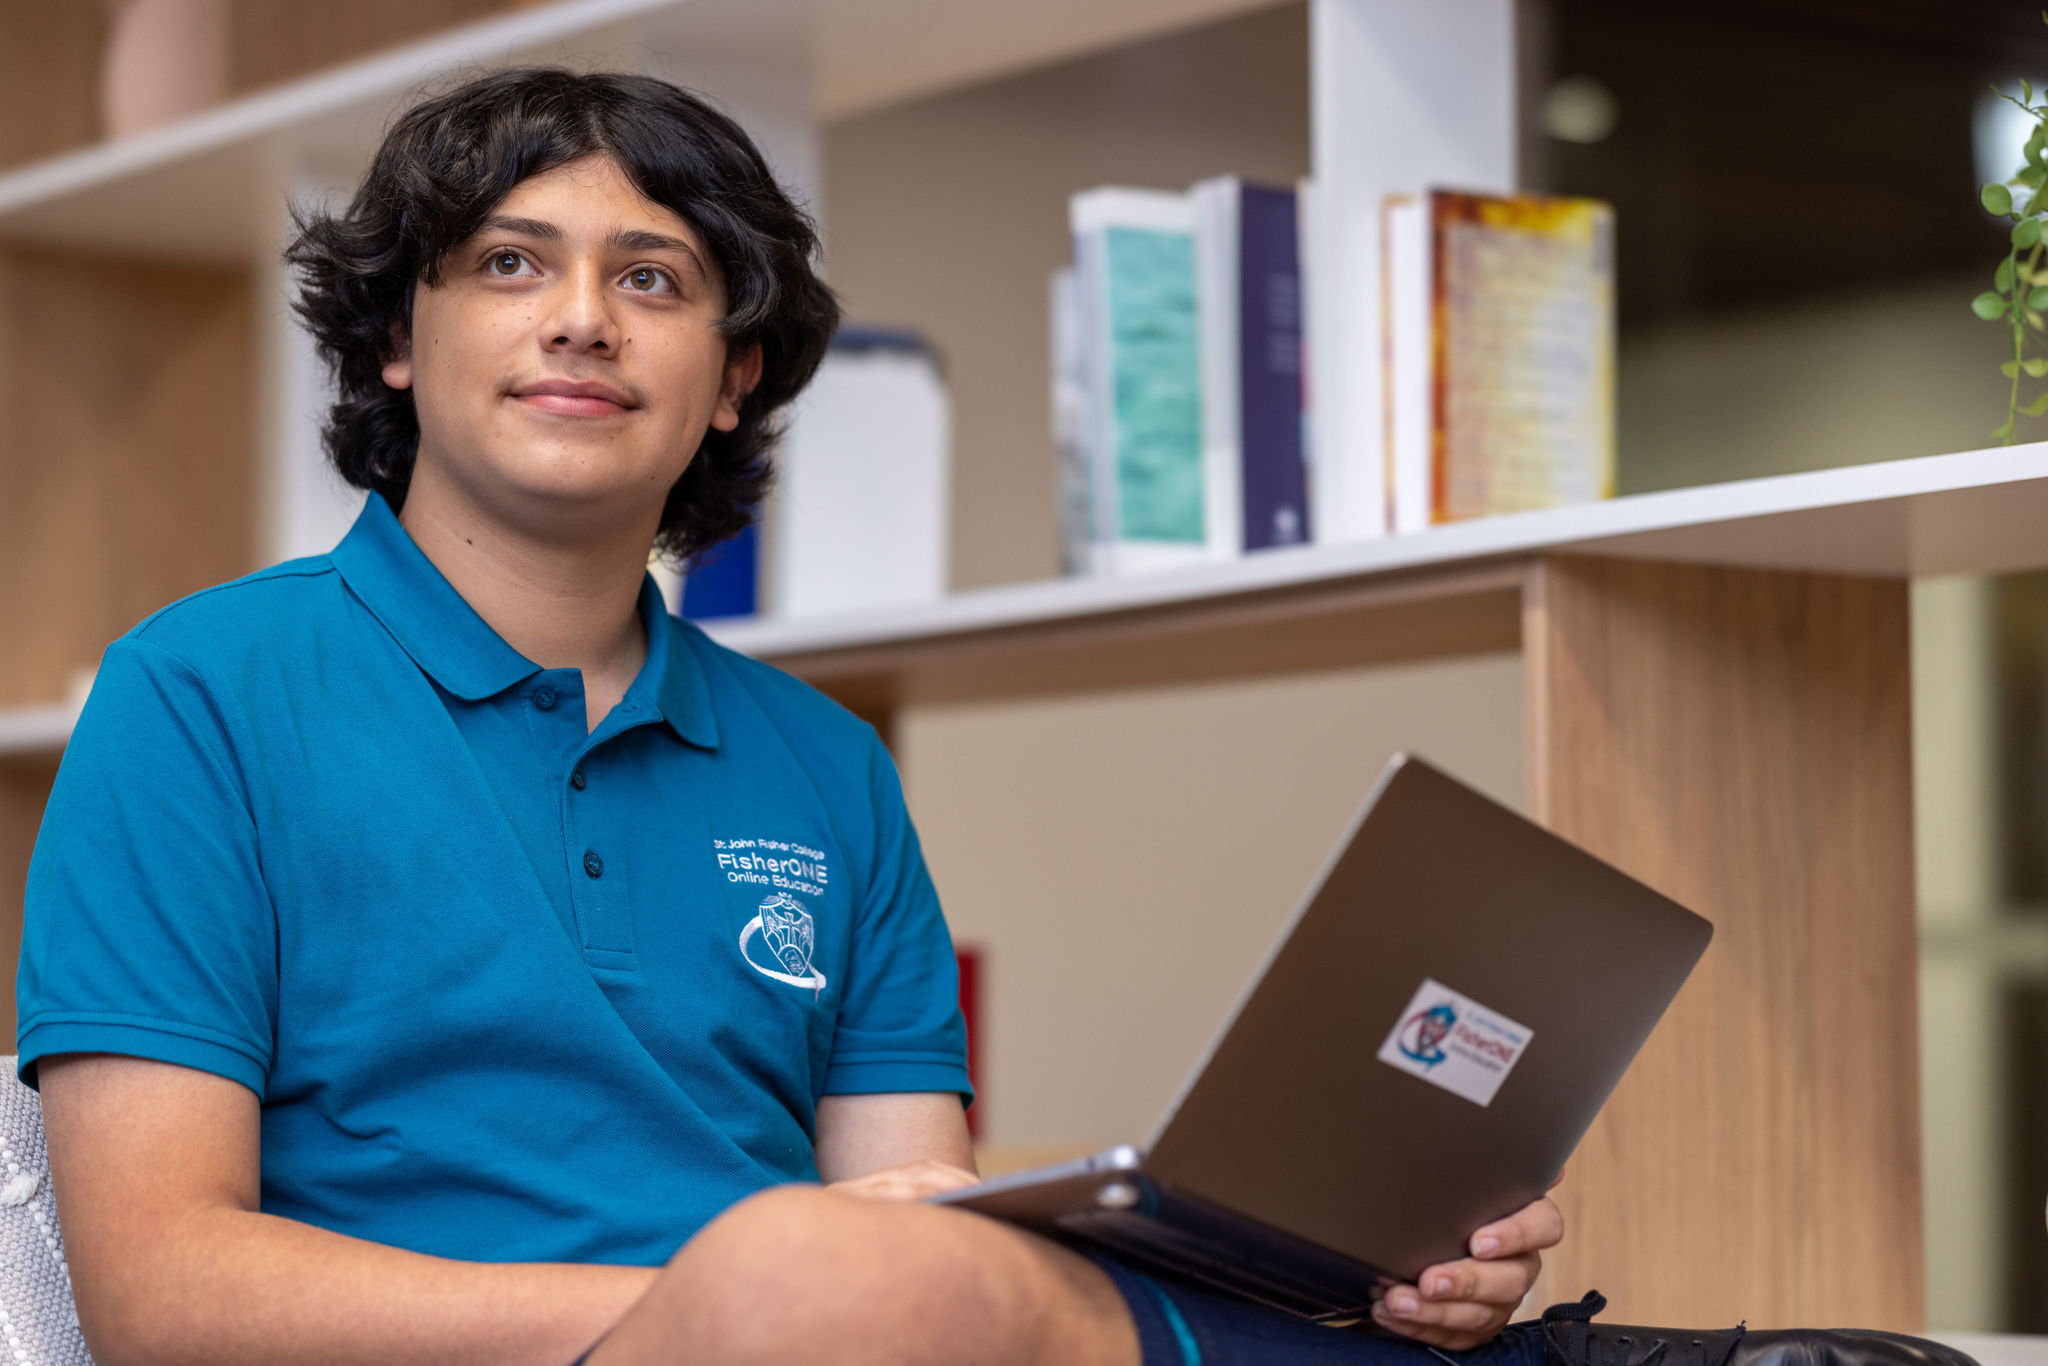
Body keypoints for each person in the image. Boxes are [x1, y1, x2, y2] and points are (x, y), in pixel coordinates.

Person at [11, 68, 1972, 1366]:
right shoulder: (203, 691)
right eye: (508, 264)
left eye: (655, 277)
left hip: (828, 1332)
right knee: (810, 1266)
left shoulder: (815, 763)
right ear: (395, 339)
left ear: (735, 374)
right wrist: (719, 1302)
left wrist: (1263, 1222)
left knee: (910, 1250)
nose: (581, 317)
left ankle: (1382, 1306)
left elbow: (902, 1201)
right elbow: (164, 1289)